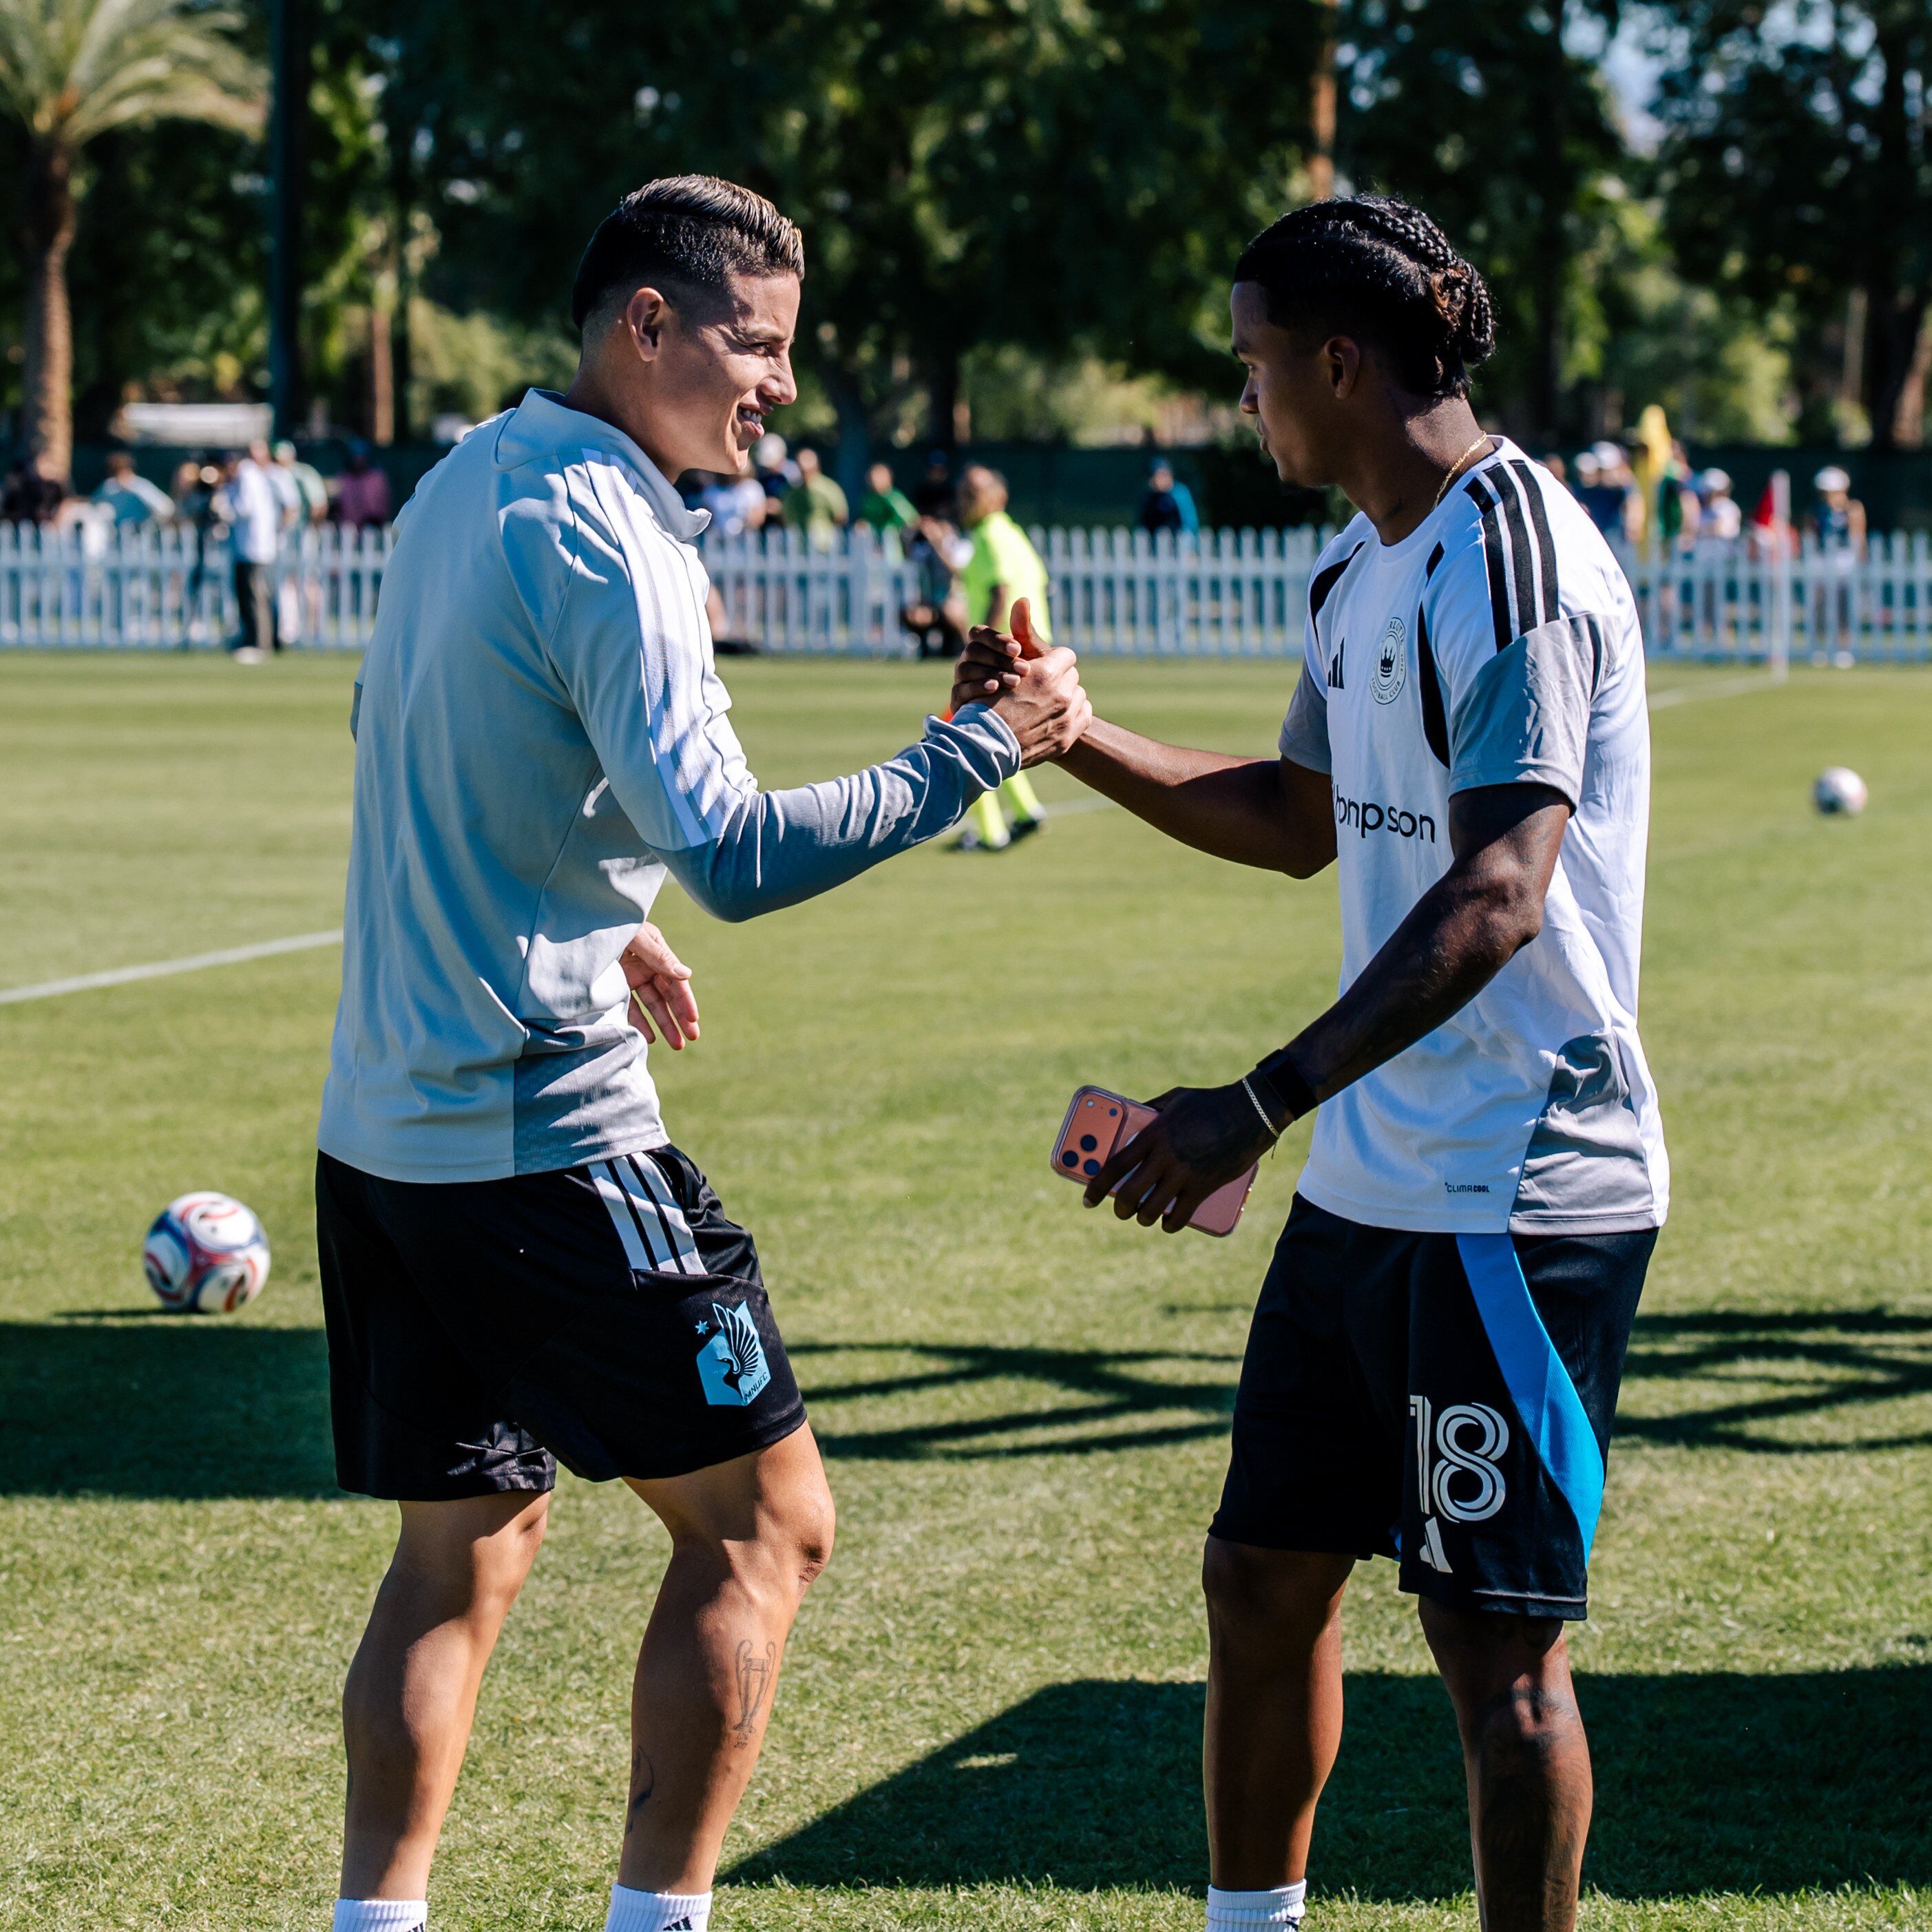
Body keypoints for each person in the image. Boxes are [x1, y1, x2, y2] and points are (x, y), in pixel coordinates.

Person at [315, 174, 1087, 1932]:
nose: (781, 387)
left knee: (465, 1544)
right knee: (764, 1524)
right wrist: (979, 749)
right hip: (541, 1135)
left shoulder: (467, 476)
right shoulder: (614, 524)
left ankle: (375, 1918)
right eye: (757, 344)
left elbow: (405, 724)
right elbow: (733, 849)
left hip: (383, 1137)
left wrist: (595, 902)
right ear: (645, 324)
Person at [957, 196, 1667, 1932]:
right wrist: (1070, 732)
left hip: (1514, 1189)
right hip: (1366, 1186)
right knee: (1261, 1575)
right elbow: (1295, 817)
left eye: (1252, 361)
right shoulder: (1355, 561)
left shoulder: (1511, 554)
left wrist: (1251, 1104)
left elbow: (1498, 890)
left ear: (1338, 363)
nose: (1241, 395)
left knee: (1491, 1649)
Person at [955, 464, 1053, 850]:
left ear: (998, 497)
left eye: (974, 492)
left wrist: (982, 646)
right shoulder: (1011, 533)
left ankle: (991, 833)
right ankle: (1026, 811)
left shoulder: (990, 534)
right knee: (993, 735)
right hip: (1025, 651)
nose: (965, 499)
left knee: (964, 733)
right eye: (963, 491)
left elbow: (1000, 588)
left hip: (1004, 653)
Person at [217, 442, 282, 659]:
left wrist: (224, 509)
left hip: (253, 547)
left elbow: (245, 507)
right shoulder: (250, 475)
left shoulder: (247, 474)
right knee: (250, 596)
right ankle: (252, 639)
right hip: (250, 547)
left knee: (253, 597)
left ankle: (259, 643)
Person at [1806, 464, 1866, 662]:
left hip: (1845, 561)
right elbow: (1810, 534)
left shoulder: (1853, 509)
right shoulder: (1817, 510)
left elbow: (1858, 536)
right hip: (1821, 560)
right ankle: (1819, 647)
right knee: (1820, 605)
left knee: (1843, 607)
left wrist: (1860, 560)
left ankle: (1843, 648)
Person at [779, 445, 848, 550]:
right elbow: (786, 517)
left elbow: (841, 517)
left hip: (824, 547)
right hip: (798, 547)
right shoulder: (791, 492)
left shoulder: (829, 488)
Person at [94, 451, 174, 527]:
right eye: (116, 474)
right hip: (116, 532)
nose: (120, 478)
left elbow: (166, 508)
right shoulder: (109, 486)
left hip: (142, 531)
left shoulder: (142, 486)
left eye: (123, 472)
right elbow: (95, 505)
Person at [1137, 458, 1200, 537]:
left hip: (1179, 539)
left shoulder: (1180, 493)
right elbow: (1142, 523)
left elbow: (1189, 521)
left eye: (1163, 475)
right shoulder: (1149, 496)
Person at [335, 444, 392, 528]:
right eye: (355, 457)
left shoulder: (377, 477)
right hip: (348, 528)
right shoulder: (343, 478)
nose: (359, 461)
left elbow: (385, 504)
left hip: (373, 527)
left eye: (362, 457)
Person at [857, 461, 917, 537]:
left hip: (894, 539)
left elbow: (913, 520)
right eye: (872, 476)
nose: (874, 480)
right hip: (874, 538)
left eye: (879, 476)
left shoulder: (894, 498)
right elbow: (866, 518)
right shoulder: (869, 499)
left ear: (888, 477)